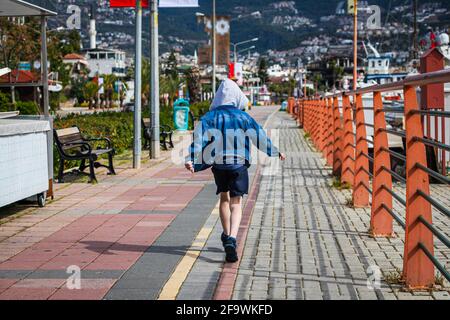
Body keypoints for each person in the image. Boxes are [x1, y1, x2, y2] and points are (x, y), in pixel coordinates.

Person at [185, 79, 286, 263]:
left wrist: (190, 159)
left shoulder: (209, 117)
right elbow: (259, 137)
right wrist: (274, 151)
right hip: (239, 165)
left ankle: (225, 234)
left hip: (219, 165)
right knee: (236, 203)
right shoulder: (243, 117)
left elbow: (198, 140)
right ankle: (232, 237)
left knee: (223, 198)